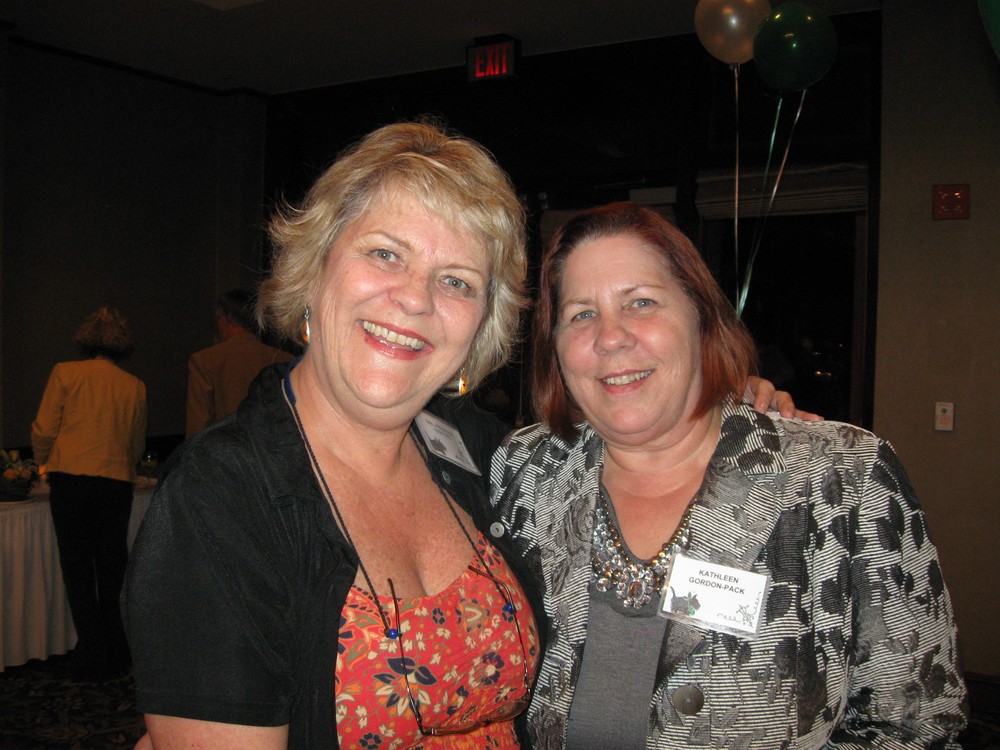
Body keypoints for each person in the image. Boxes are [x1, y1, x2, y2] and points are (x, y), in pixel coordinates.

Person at [123, 121, 542, 750]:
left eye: (457, 280)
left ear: (481, 325)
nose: (415, 299)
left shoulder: (479, 450)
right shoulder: (220, 496)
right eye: (385, 254)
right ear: (316, 268)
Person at [490, 203, 967, 749]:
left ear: (701, 318)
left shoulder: (845, 478)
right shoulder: (524, 471)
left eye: (641, 303)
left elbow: (916, 725)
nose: (611, 337)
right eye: (581, 314)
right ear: (554, 346)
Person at [31, 307, 147, 680]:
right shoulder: (134, 385)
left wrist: (42, 462)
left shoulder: (66, 373)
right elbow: (135, 443)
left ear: (85, 340)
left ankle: (92, 653)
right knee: (113, 567)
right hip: (115, 482)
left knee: (78, 568)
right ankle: (117, 650)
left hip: (71, 479)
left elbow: (45, 428)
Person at [185, 288, 294, 437]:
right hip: (275, 445)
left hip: (223, 447)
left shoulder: (205, 360)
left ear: (222, 319)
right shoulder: (285, 359)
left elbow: (197, 424)